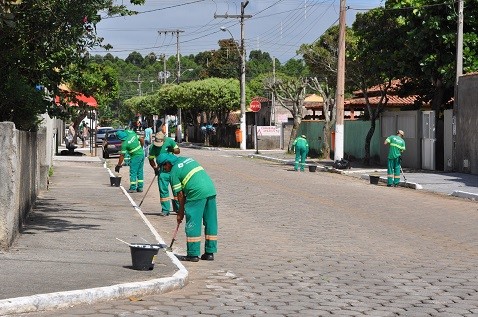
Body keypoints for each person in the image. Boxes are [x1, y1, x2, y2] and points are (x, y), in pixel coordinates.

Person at [158, 153, 217, 262]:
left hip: (196, 193)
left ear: (168, 163)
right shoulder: (187, 159)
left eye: (163, 167)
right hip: (210, 190)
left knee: (193, 223)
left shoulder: (174, 172)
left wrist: (180, 212)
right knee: (211, 221)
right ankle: (210, 252)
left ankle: (193, 254)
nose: (164, 169)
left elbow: (180, 195)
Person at [148, 132, 180, 216]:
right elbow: (151, 159)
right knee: (163, 190)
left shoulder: (169, 141)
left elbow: (178, 151)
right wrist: (155, 168)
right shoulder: (152, 147)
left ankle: (179, 208)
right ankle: (165, 210)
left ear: (164, 139)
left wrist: (172, 149)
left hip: (173, 170)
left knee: (177, 190)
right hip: (162, 171)